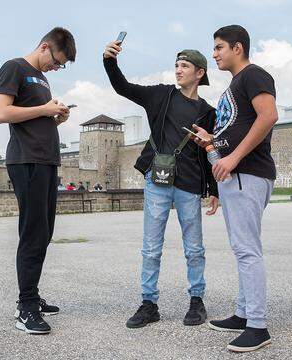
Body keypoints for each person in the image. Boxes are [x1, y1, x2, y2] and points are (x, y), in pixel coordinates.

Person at [103, 38, 219, 328]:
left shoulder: (208, 111)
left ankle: (196, 301)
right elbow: (123, 87)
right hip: (157, 181)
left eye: (185, 66)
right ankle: (149, 304)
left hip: (190, 184)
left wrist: (214, 190)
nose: (178, 70)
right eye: (176, 65)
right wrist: (109, 61)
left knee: (194, 247)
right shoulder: (161, 96)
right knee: (151, 247)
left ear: (199, 73)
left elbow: (208, 151)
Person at [192, 25, 278, 352]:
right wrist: (211, 144)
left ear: (237, 47)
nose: (214, 54)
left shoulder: (254, 75)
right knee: (242, 248)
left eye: (218, 48)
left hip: (248, 173)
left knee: (247, 250)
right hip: (235, 175)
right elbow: (228, 140)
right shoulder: (234, 85)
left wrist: (234, 159)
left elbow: (268, 116)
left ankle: (257, 326)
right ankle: (243, 314)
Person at [0, 26, 76, 335]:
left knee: (45, 232)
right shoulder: (14, 67)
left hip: (45, 161)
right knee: (33, 232)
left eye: (62, 65)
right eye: (58, 61)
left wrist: (56, 117)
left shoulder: (42, 78)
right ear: (45, 47)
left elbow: (32, 115)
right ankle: (25, 308)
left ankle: (33, 294)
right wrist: (44, 108)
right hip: (25, 160)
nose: (58, 67)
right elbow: (1, 113)